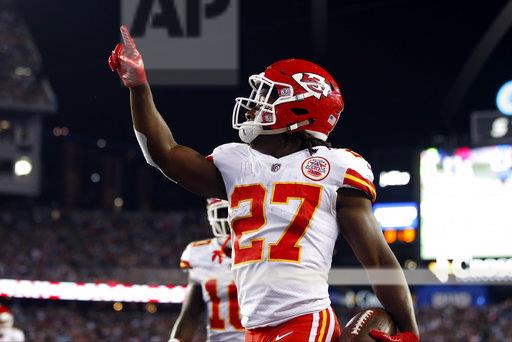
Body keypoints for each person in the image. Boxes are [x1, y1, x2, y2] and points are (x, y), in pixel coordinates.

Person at [109, 25, 419, 342]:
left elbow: (378, 259)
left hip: (305, 318)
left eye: (268, 96)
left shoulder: (336, 167)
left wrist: (411, 331)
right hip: (254, 328)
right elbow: (165, 154)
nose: (256, 105)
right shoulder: (237, 162)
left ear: (299, 107)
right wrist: (139, 86)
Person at [169, 199, 244, 342]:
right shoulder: (200, 254)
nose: (229, 219)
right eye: (223, 213)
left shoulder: (267, 250)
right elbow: (191, 313)